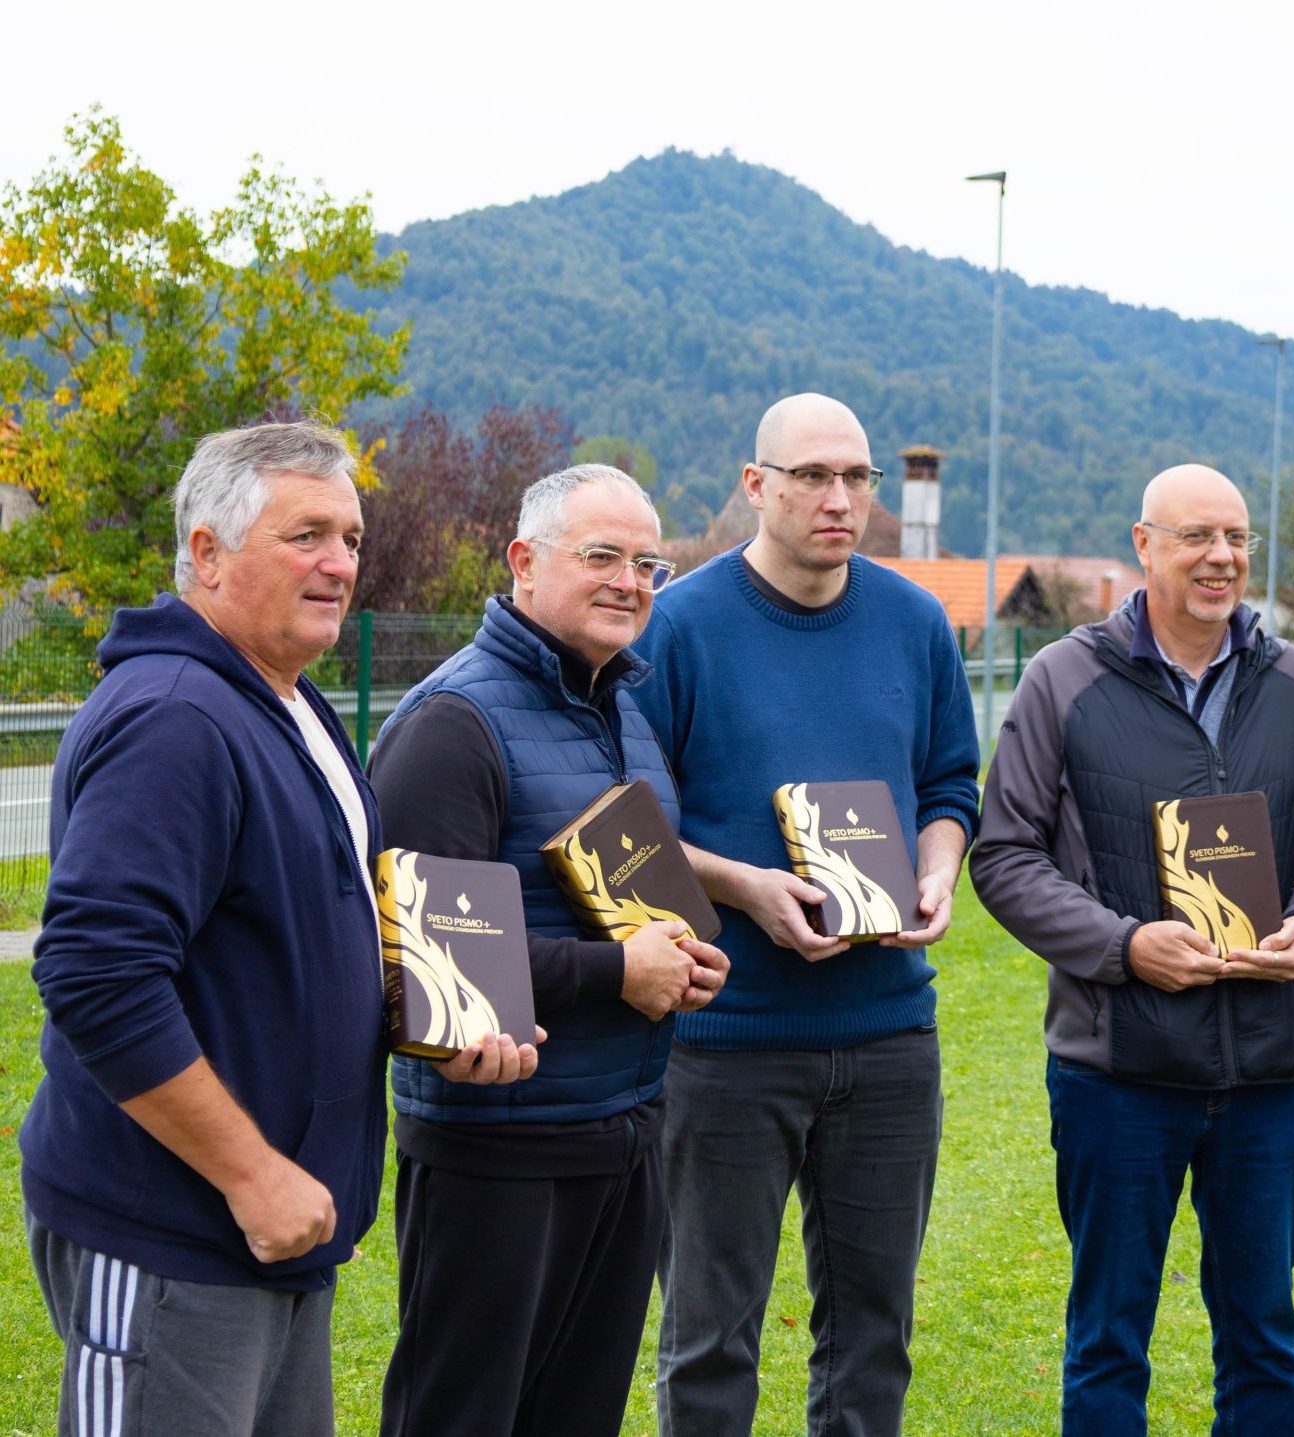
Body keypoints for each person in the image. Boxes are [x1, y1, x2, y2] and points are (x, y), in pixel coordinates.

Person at [18, 422, 536, 1437]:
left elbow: (295, 941)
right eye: (306, 536)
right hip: (173, 1229)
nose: (340, 563)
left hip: (276, 1231)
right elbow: (92, 971)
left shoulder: (286, 706)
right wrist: (252, 1176)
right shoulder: (177, 718)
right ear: (207, 553)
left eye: (349, 537)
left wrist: (431, 1015)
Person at [970, 463, 1294, 1436]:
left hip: (1267, 1070)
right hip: (1118, 1070)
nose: (1220, 558)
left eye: (1234, 538)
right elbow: (1004, 857)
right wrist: (1125, 946)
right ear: (1144, 546)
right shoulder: (1064, 680)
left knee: (1264, 1336)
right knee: (1109, 1338)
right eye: (1195, 537)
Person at [632, 394, 980, 1436]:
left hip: (885, 1036)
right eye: (812, 477)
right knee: (708, 1338)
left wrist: (935, 874)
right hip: (726, 1040)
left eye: (856, 479)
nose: (839, 500)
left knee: (875, 1335)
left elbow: (951, 786)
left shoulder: (913, 620)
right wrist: (746, 888)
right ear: (756, 487)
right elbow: (631, 830)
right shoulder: (677, 627)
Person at [368, 464, 729, 1436]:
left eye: (648, 563)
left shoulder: (624, 714)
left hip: (623, 1130)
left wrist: (684, 957)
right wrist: (623, 971)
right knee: (465, 1418)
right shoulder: (454, 724)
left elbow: (620, 910)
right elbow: (422, 965)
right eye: (602, 556)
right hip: (497, 1150)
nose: (631, 581)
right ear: (524, 562)